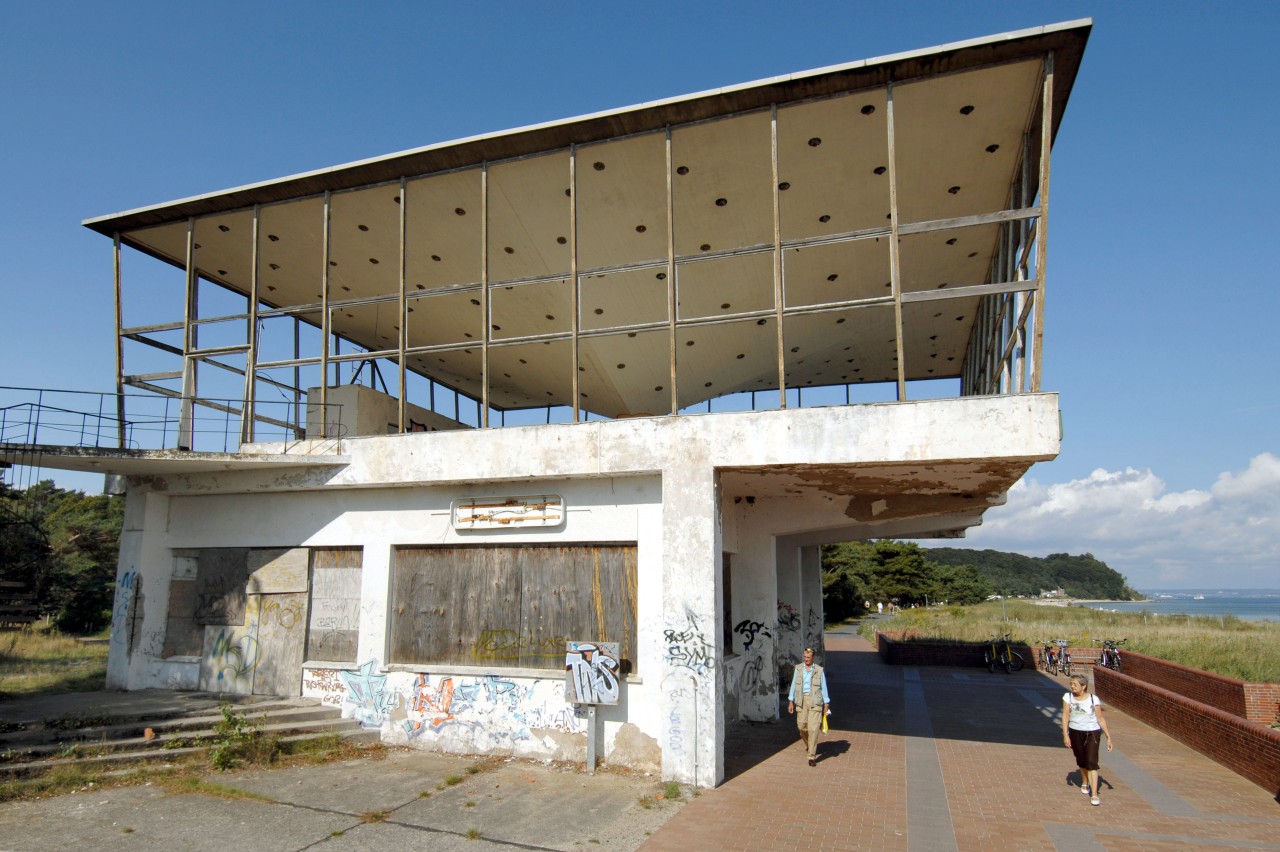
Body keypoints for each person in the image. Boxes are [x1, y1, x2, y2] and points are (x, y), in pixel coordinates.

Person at [1062, 673, 1113, 805]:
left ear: (1083, 686)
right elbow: (1065, 716)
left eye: (1075, 684)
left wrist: (1108, 737)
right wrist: (1065, 735)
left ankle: (1095, 794)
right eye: (1071, 684)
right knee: (1081, 759)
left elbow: (1100, 718)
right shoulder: (1068, 697)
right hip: (1075, 731)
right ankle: (1085, 781)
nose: (1072, 687)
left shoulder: (1093, 699)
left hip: (1092, 732)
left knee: (1091, 761)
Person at [787, 646, 830, 766]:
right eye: (805, 657)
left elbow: (824, 687)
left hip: (815, 701)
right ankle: (809, 745)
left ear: (813, 658)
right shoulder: (798, 669)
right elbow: (793, 685)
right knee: (802, 727)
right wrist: (791, 701)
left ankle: (811, 756)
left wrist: (826, 703)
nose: (806, 659)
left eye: (808, 657)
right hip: (802, 700)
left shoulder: (819, 671)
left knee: (813, 729)